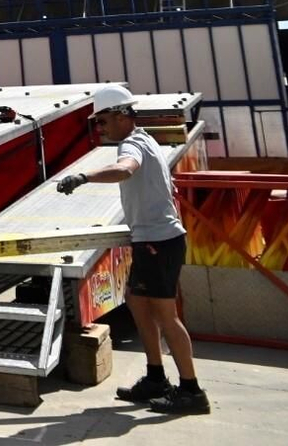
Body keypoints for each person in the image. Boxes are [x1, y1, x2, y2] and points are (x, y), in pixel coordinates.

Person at [57, 85, 209, 415]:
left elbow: (126, 169)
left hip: (159, 242)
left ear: (123, 115)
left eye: (103, 120)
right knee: (138, 303)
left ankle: (191, 391)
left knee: (167, 317)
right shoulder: (145, 140)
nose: (100, 128)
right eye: (97, 123)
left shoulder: (133, 144)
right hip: (150, 241)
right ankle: (156, 378)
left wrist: (83, 176)